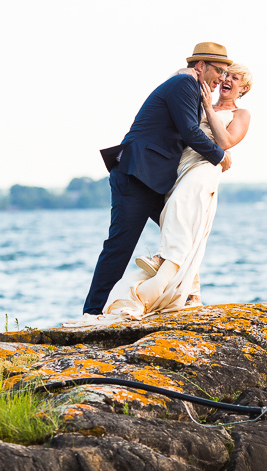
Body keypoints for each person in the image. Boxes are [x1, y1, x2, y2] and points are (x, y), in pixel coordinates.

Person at [75, 62, 253, 322]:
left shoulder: (199, 94)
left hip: (164, 177)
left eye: (232, 76)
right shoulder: (185, 84)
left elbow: (207, 135)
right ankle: (93, 311)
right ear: (202, 66)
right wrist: (220, 156)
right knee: (121, 245)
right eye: (221, 72)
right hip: (139, 175)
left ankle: (190, 291)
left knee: (185, 231)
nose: (222, 79)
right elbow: (191, 132)